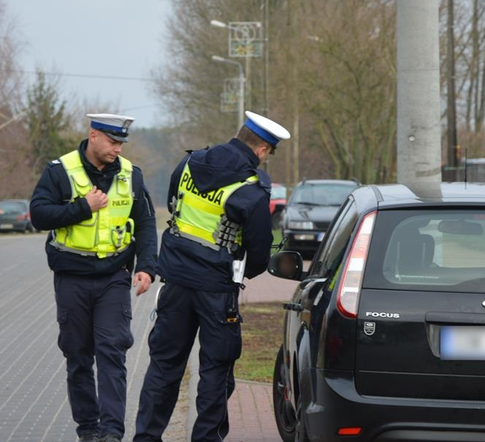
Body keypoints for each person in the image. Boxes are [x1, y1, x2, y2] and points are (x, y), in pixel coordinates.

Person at [133, 111, 290, 442]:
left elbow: (175, 206)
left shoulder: (188, 164)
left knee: (163, 366)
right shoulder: (252, 186)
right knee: (215, 371)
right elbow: (260, 250)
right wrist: (238, 270)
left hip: (174, 282)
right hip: (217, 291)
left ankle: (146, 437)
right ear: (262, 150)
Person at [30, 113, 158, 442]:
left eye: (121, 143)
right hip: (72, 276)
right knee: (78, 354)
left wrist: (146, 266)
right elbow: (39, 215)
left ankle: (112, 432)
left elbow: (145, 224)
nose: (118, 149)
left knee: (112, 351)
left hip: (114, 276)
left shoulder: (131, 175)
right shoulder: (60, 171)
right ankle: (88, 428)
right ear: (94, 135)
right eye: (113, 142)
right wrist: (82, 207)